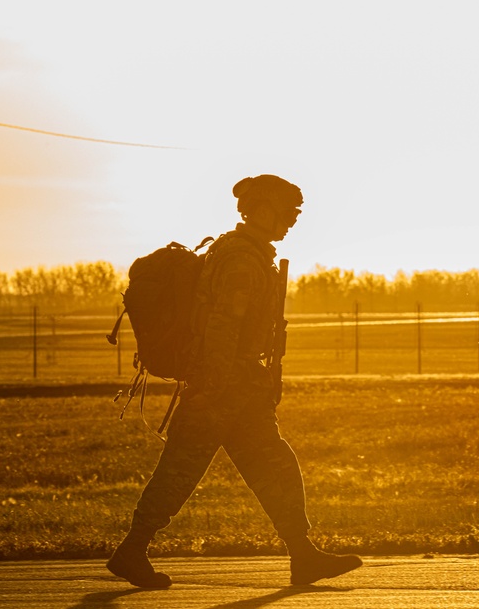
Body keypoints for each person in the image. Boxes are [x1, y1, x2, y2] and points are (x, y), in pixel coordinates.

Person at [107, 174, 362, 588]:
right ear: (262, 210)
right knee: (179, 473)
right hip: (221, 386)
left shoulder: (246, 253)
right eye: (287, 212)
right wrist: (213, 386)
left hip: (237, 387)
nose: (292, 220)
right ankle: (132, 552)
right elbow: (224, 327)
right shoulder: (242, 260)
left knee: (275, 464)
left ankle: (303, 554)